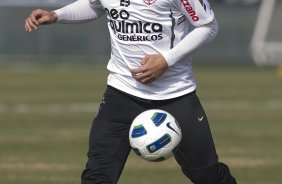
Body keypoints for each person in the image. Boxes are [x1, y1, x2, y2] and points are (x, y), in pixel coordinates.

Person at [25, 0, 237, 183]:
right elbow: (94, 5)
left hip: (176, 95)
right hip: (121, 95)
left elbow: (208, 26)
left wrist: (166, 60)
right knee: (97, 176)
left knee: (206, 176)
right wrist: (56, 15)